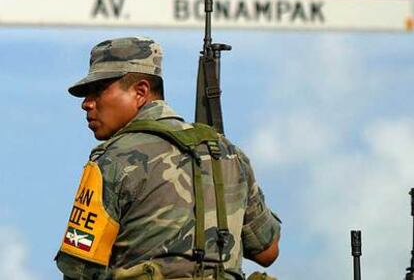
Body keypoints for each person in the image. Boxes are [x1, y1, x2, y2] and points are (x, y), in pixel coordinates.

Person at [56, 36, 281, 280]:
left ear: (140, 91)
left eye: (98, 91)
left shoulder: (112, 160)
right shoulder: (229, 154)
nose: (87, 104)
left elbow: (78, 269)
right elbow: (267, 251)